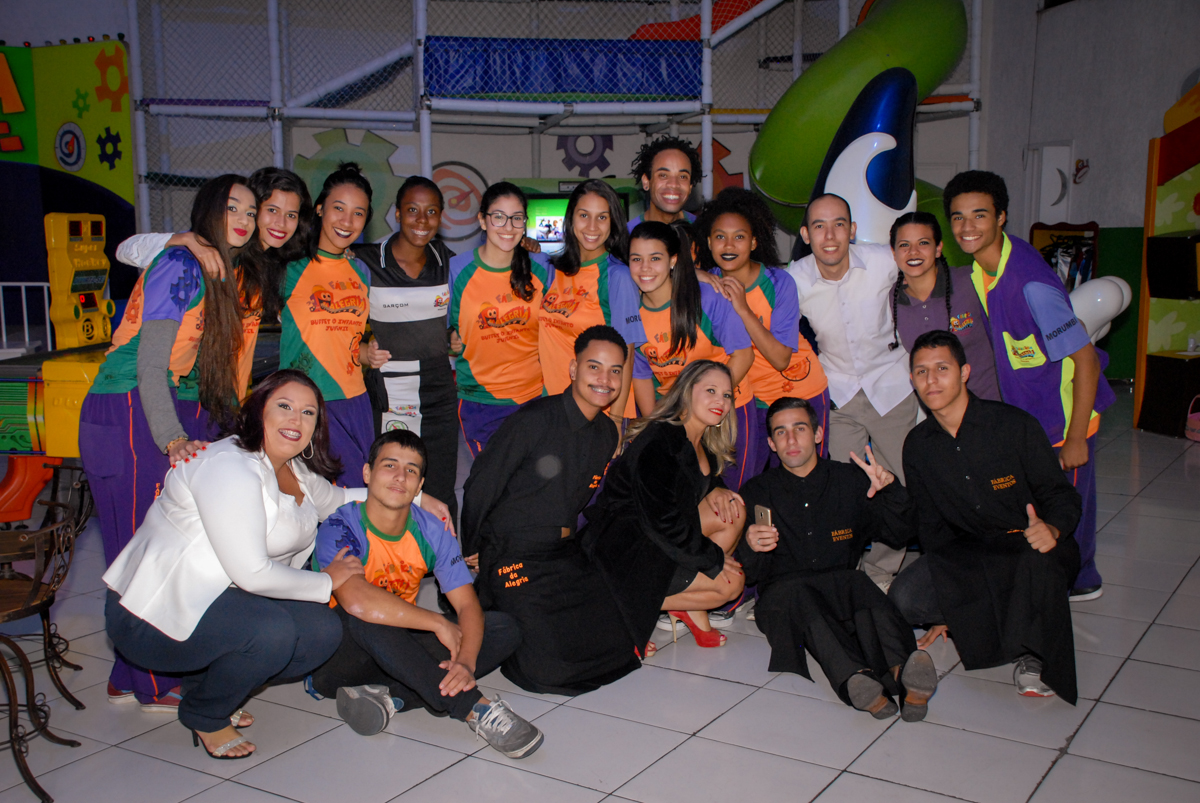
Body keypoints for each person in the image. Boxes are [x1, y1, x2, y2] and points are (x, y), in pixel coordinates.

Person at [101, 370, 369, 760]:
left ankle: (206, 687)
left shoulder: (295, 470)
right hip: (149, 614)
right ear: (259, 410)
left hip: (217, 604)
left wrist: (416, 499)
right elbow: (251, 573)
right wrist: (326, 582)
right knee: (273, 632)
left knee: (321, 631)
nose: (296, 420)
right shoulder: (229, 465)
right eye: (284, 406)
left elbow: (341, 498)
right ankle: (206, 713)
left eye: (308, 413)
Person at [81, 174, 251, 712]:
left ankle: (128, 675)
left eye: (251, 210)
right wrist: (172, 437)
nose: (244, 220)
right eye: (233, 208)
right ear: (208, 212)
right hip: (128, 406)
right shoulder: (182, 266)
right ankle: (151, 680)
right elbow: (150, 365)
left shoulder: (207, 267)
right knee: (141, 552)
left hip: (141, 405)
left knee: (144, 547)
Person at [308, 429, 542, 759]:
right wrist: (437, 622)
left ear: (419, 486)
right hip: (342, 654)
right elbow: (358, 601)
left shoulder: (430, 530)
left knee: (504, 628)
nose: (400, 477)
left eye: (411, 470)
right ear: (367, 473)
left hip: (398, 649)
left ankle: (391, 697)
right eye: (389, 465)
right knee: (365, 614)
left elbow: (466, 604)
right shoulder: (341, 526)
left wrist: (465, 662)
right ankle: (475, 707)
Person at [944, 170, 1113, 601]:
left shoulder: (1031, 284)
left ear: (1001, 217)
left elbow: (1086, 359)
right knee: (1034, 502)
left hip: (1065, 417)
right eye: (958, 216)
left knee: (1067, 506)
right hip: (1030, 416)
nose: (967, 227)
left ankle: (1078, 580)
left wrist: (1075, 437)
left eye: (979, 215)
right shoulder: (980, 274)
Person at [892, 330, 1082, 702]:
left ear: (964, 372)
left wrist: (1054, 529)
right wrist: (949, 598)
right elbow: (931, 527)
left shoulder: (1013, 426)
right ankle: (999, 616)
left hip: (1032, 546)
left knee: (1037, 565)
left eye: (942, 368)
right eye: (921, 372)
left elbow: (1061, 495)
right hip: (973, 552)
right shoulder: (918, 445)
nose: (931, 380)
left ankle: (1032, 653)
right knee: (905, 598)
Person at [462, 326, 640, 694]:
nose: (605, 380)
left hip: (561, 554)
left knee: (620, 645)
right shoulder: (535, 419)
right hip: (513, 554)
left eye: (615, 371)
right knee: (545, 667)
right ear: (574, 369)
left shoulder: (607, 434)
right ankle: (487, 611)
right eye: (594, 367)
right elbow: (481, 484)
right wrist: (472, 548)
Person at [737, 397, 936, 721]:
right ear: (771, 443)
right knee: (804, 600)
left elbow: (898, 534)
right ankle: (857, 681)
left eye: (799, 429)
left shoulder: (850, 480)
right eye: (781, 432)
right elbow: (752, 574)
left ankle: (905, 674)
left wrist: (891, 492)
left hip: (842, 582)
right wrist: (750, 545)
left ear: (817, 434)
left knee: (861, 588)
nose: (791, 439)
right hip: (785, 593)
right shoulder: (759, 490)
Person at [116, 167, 314, 438]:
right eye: (271, 210)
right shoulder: (214, 253)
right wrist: (182, 239)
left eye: (291, 215)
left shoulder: (273, 266)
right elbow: (125, 250)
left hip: (229, 399)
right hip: (182, 392)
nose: (281, 223)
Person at [785, 193, 918, 589]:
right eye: (820, 226)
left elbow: (925, 269)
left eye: (839, 224)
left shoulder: (881, 260)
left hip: (891, 387)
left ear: (852, 230)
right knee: (843, 489)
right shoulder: (795, 278)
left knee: (903, 482)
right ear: (806, 234)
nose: (830, 235)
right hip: (838, 392)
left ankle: (880, 573)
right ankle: (844, 570)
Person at [582, 360, 746, 655]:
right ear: (686, 391)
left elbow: (688, 486)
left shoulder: (700, 440)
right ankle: (623, 601)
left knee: (733, 507)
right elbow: (661, 520)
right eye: (711, 390)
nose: (720, 401)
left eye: (726, 395)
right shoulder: (661, 439)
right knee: (730, 585)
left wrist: (718, 487)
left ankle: (686, 608)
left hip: (654, 539)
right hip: (626, 546)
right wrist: (712, 560)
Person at [696, 187, 830, 469]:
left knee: (808, 478)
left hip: (800, 390)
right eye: (720, 237)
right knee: (753, 485)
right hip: (751, 400)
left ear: (754, 242)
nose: (729, 246)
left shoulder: (779, 282)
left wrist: (743, 309)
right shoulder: (707, 287)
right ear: (708, 243)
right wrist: (692, 271)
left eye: (739, 237)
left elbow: (781, 359)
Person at [359, 176, 460, 521]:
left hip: (438, 387)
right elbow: (334, 314)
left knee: (440, 482)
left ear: (441, 216)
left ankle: (443, 563)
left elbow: (471, 302)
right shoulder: (366, 260)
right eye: (412, 210)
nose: (422, 220)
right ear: (397, 214)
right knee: (391, 481)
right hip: (388, 386)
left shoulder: (449, 262)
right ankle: (387, 564)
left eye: (431, 211)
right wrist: (360, 348)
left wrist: (528, 248)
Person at [628, 221, 756, 489]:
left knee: (733, 498)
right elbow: (640, 375)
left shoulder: (705, 298)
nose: (645, 268)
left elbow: (743, 355)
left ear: (673, 260)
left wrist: (708, 402)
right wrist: (658, 432)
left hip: (729, 410)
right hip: (675, 417)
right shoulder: (632, 313)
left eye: (655, 258)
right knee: (684, 499)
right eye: (636, 259)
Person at [279, 162, 374, 487]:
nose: (347, 221)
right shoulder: (289, 266)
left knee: (359, 495)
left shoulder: (361, 271)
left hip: (356, 399)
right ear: (319, 209)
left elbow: (349, 339)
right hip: (308, 401)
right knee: (316, 504)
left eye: (358, 213)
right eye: (338, 208)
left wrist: (366, 353)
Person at [449, 182, 553, 457]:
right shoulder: (456, 271)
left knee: (534, 486)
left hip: (535, 397)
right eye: (499, 216)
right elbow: (441, 327)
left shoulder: (541, 267)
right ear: (482, 220)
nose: (508, 226)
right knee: (492, 488)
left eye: (517, 218)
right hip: (480, 402)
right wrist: (449, 339)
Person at [539, 179, 643, 424]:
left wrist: (617, 422)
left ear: (613, 222)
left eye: (602, 217)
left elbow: (626, 356)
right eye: (584, 215)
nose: (592, 226)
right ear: (570, 219)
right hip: (553, 407)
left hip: (599, 413)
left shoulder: (617, 276)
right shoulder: (552, 270)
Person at [887, 211, 1000, 402]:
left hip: (991, 403)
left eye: (923, 243)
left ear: (938, 248)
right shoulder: (895, 297)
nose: (913, 252)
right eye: (904, 245)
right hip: (940, 413)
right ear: (894, 253)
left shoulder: (969, 281)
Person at [627, 135, 700, 231]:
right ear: (646, 181)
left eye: (682, 176)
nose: (673, 184)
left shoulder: (702, 231)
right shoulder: (626, 237)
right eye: (663, 175)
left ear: (690, 186)